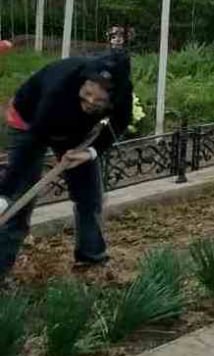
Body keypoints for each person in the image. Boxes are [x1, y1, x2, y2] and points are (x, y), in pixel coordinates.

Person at [0, 50, 134, 278]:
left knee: (89, 195)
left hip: (75, 131)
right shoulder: (60, 87)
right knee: (20, 201)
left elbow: (120, 123)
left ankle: (91, 259)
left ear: (114, 96)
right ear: (84, 81)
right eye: (87, 94)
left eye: (100, 100)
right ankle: (1, 266)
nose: (91, 101)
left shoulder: (122, 93)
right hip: (29, 122)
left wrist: (90, 152)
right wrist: (4, 195)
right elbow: (32, 143)